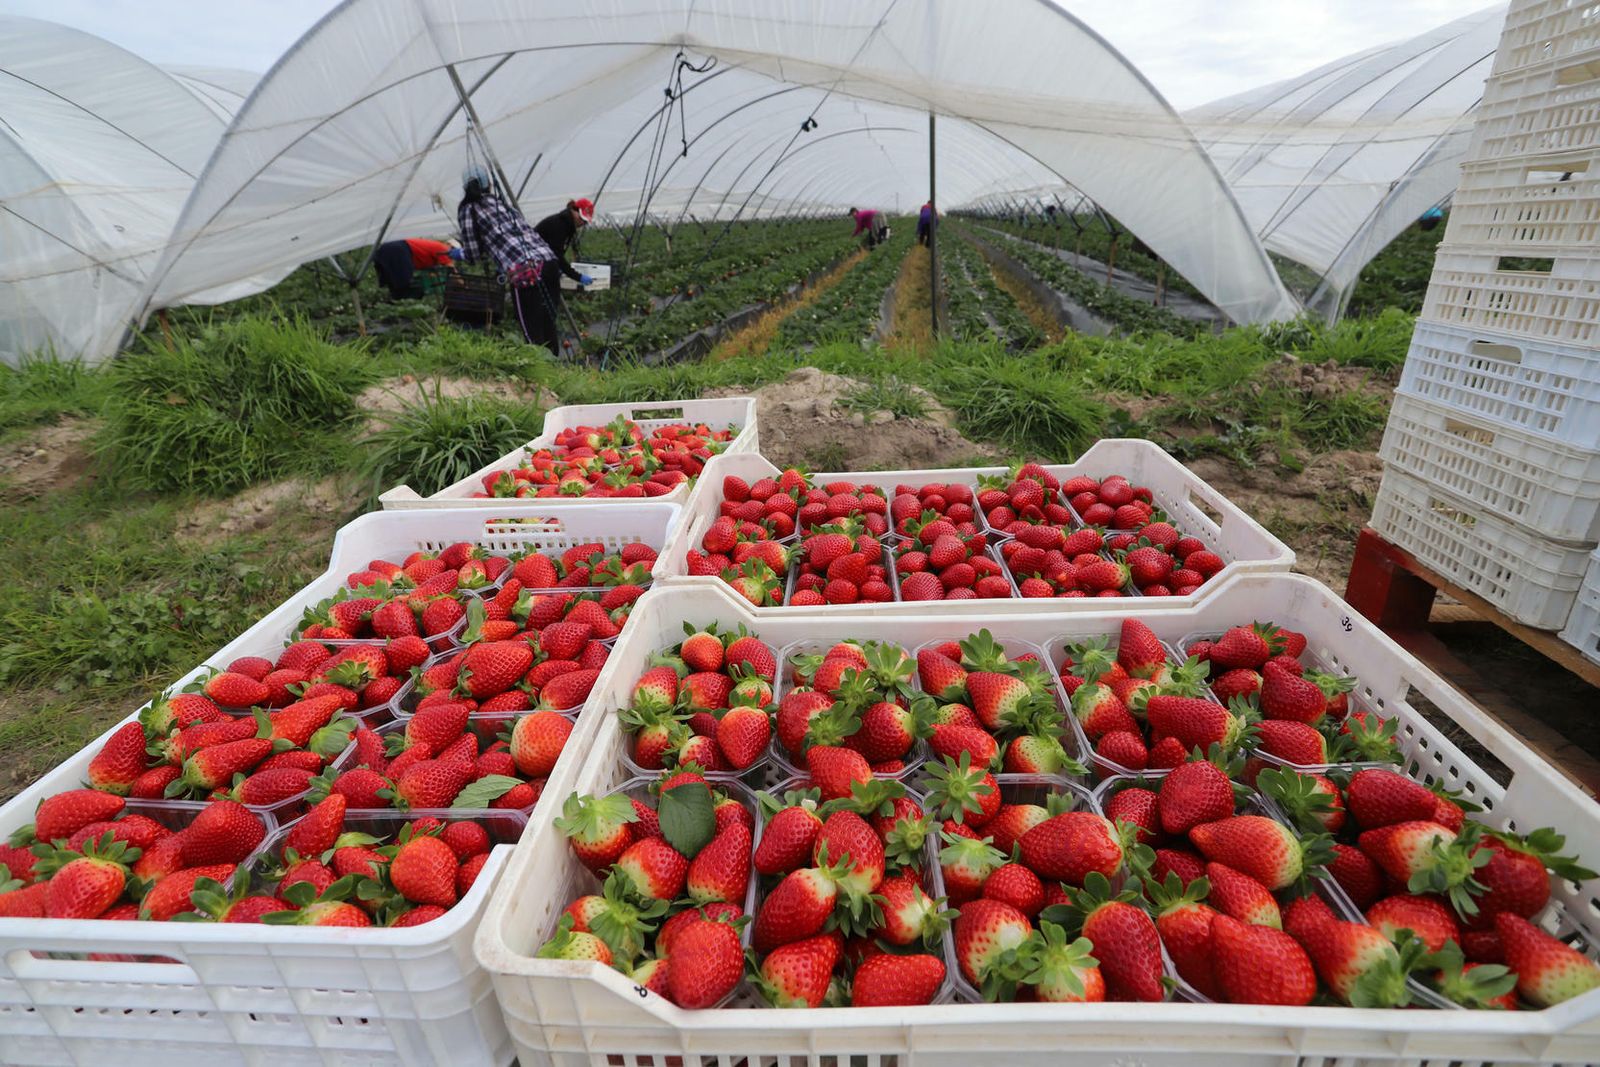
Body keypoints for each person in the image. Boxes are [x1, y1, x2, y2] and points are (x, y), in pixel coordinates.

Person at [456, 164, 562, 352]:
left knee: (532, 329)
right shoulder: (500, 202)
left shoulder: (468, 209)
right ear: (488, 184)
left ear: (465, 187)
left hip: (525, 269)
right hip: (549, 262)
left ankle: (543, 366)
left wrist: (459, 253)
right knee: (548, 321)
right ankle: (555, 362)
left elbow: (473, 253)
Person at [532, 197, 596, 341]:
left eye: (585, 221)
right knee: (544, 309)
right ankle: (543, 341)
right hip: (535, 269)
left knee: (550, 308)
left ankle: (547, 339)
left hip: (546, 267)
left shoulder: (568, 225)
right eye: (582, 218)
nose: (582, 223)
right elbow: (557, 256)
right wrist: (578, 276)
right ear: (574, 211)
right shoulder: (559, 225)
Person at [372, 237, 461, 298]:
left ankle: (389, 301)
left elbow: (432, 269)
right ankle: (401, 304)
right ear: (449, 245)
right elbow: (451, 268)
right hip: (399, 250)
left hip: (388, 248)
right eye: (453, 248)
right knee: (404, 285)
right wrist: (462, 284)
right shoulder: (443, 248)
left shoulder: (435, 247)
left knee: (391, 281)